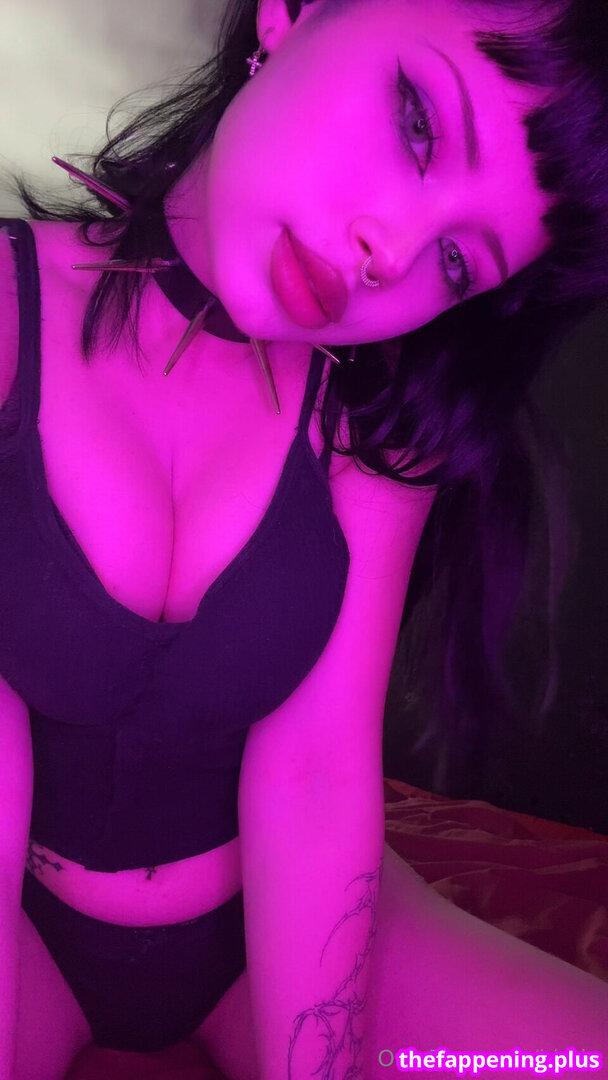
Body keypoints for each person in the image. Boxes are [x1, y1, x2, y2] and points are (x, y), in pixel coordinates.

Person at [0, 0, 607, 1078]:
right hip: (27, 928)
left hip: (261, 936)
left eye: (456, 262)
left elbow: (318, 770)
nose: (391, 253)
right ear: (289, 13)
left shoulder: (376, 421)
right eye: (417, 121)